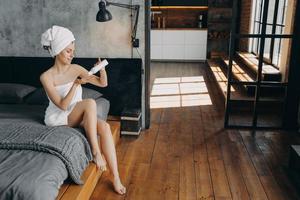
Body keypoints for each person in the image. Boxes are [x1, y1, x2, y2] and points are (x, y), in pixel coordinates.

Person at [40, 25, 126, 195]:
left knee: (106, 127)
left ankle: (116, 177)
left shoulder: (77, 68)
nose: (72, 54)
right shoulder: (46, 76)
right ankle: (96, 151)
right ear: (57, 50)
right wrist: (75, 84)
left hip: (77, 112)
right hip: (58, 118)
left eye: (73, 51)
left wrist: (102, 69)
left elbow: (103, 84)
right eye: (68, 51)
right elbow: (63, 105)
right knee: (89, 103)